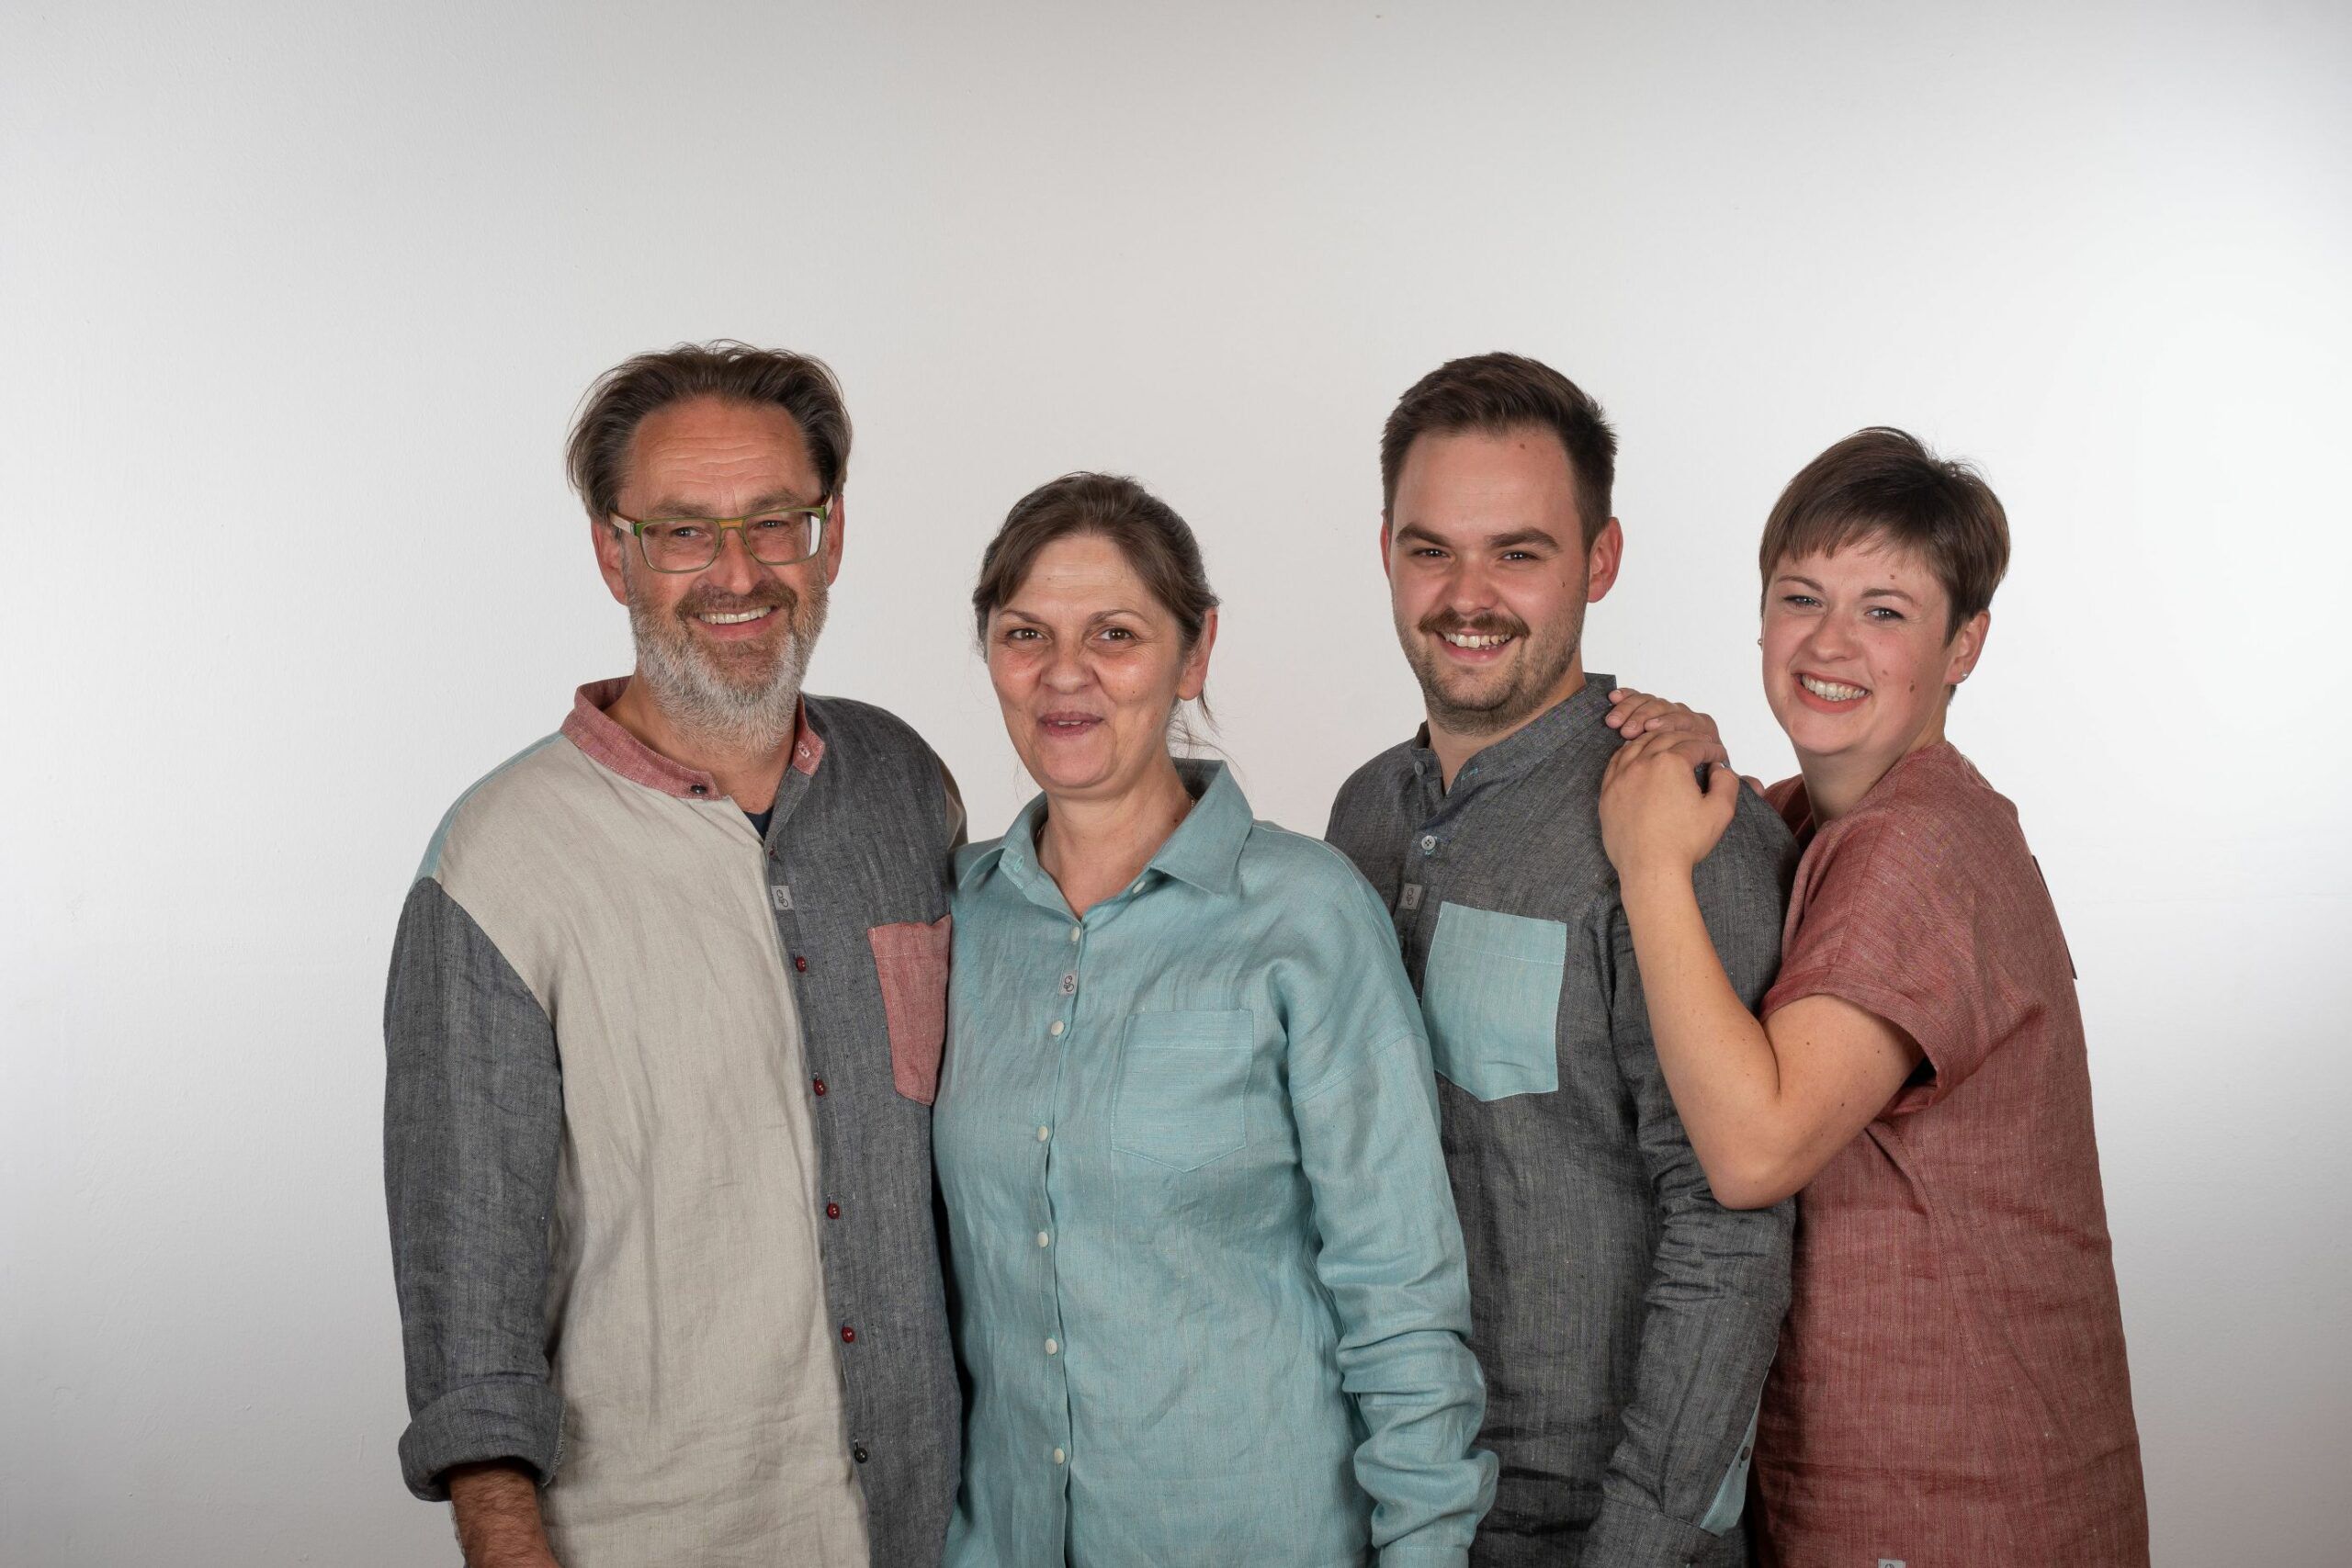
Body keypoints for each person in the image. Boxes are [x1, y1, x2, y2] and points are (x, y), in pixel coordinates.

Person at [383, 344, 962, 1568]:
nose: (740, 572)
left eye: (775, 523)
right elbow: (466, 1284)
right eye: (686, 531)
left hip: (935, 1524)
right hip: (658, 1533)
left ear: (832, 533)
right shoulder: (492, 864)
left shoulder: (906, 788)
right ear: (616, 551)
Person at [1596, 427, 2149, 1565]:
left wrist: (1650, 866)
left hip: (1949, 1498)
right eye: (1801, 597)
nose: (1829, 642)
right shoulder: (1827, 818)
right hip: (1899, 1481)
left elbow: (1754, 1152)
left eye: (1885, 611)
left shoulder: (1916, 847)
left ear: (1965, 646)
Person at [934, 472, 1495, 1567]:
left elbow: (1401, 1292)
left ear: (1195, 655)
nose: (1063, 675)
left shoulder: (1305, 913)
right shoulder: (955, 914)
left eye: (1114, 634)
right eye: (1024, 633)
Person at [1323, 354, 1796, 1568]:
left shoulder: (1680, 818)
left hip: (1588, 1526)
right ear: (1385, 550)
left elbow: (1730, 1222)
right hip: (1388, 1497)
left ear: (1600, 559)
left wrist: (1637, 1541)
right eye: (1433, 548)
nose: (1466, 594)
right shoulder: (1361, 815)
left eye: (1518, 552)